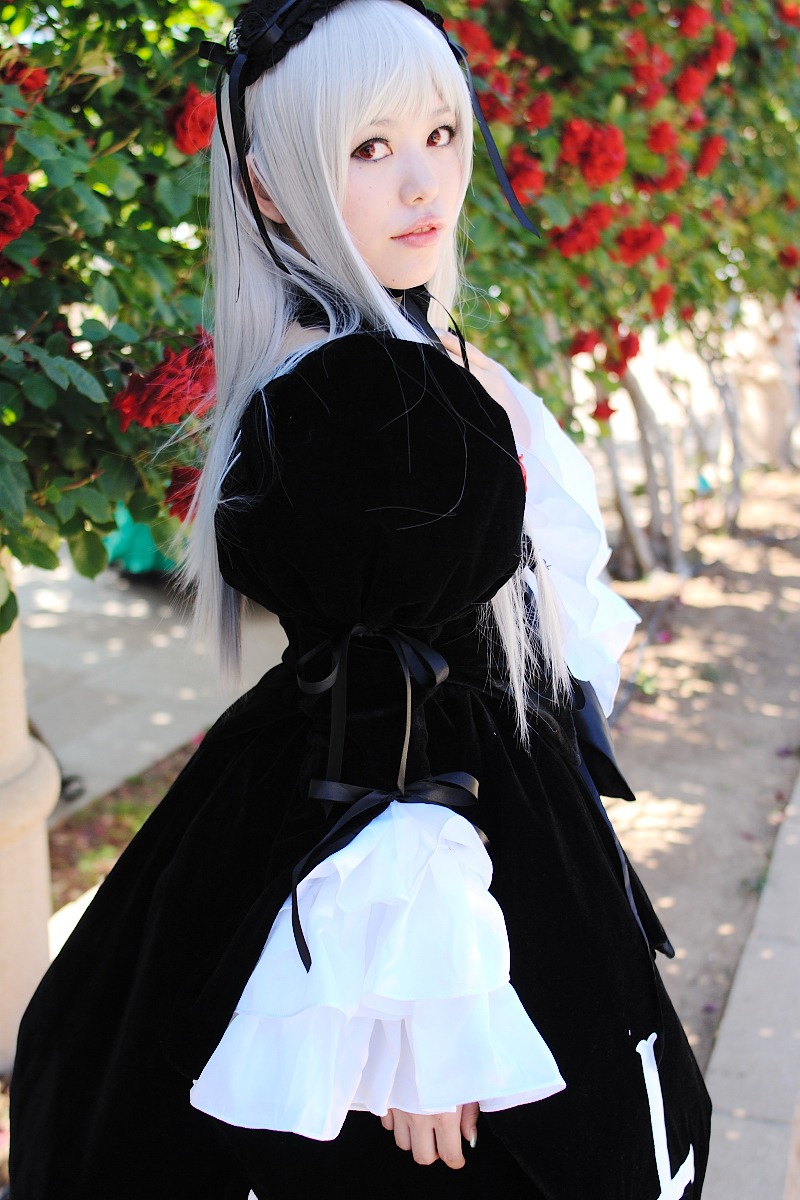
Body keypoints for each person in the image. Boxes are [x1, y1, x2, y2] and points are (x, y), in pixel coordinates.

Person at [9, 2, 712, 1197]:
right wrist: (420, 1023)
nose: (420, 181)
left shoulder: (403, 354)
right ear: (273, 189)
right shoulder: (354, 397)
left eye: (438, 132)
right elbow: (386, 704)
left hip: (469, 789)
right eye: (366, 149)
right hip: (405, 833)